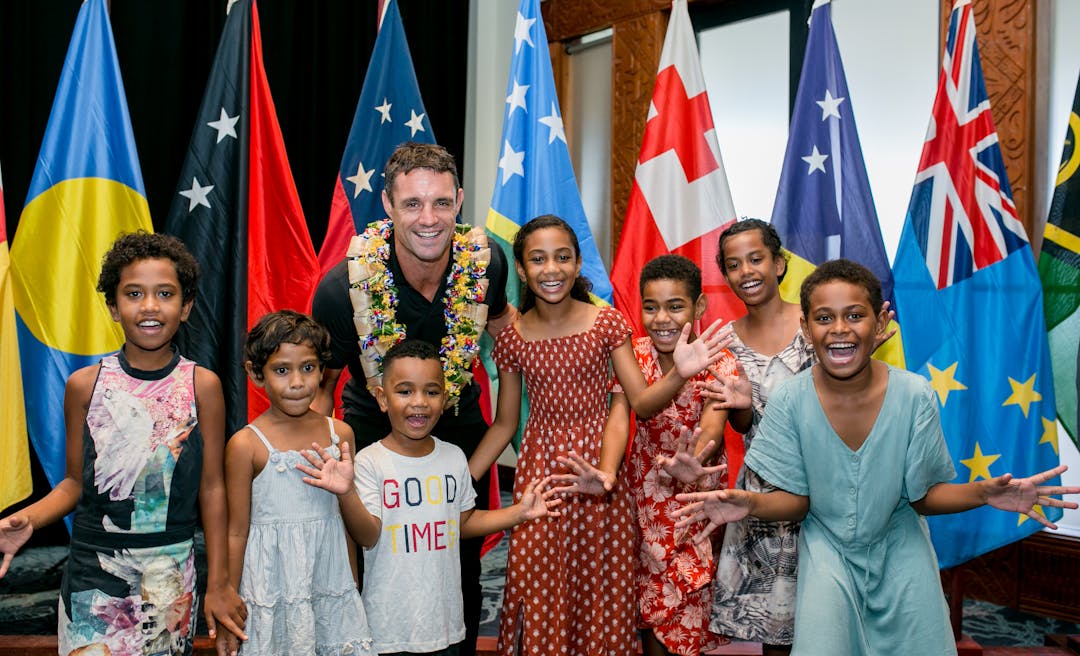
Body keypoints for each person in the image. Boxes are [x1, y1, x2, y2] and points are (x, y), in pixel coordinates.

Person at [673, 259, 1080, 656]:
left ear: (879, 324)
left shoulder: (915, 394)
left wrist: (984, 493)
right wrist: (749, 503)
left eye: (854, 315)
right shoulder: (788, 400)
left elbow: (923, 497)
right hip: (827, 557)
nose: (839, 330)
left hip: (904, 555)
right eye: (824, 318)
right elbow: (797, 503)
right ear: (805, 327)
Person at [466, 215, 729, 656]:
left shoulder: (606, 324)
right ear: (521, 268)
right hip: (541, 476)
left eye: (563, 257)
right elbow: (506, 424)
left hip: (602, 477)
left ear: (578, 262)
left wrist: (679, 374)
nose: (552, 269)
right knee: (538, 582)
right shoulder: (512, 338)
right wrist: (462, 478)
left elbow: (640, 403)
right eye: (538, 259)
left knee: (598, 590)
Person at [0, 232, 246, 656]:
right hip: (93, 577)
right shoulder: (84, 386)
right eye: (134, 293)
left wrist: (220, 583)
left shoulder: (201, 385)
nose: (149, 306)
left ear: (185, 307)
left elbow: (213, 488)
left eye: (164, 294)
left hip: (169, 581)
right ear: (113, 307)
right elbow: (74, 482)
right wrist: (29, 519)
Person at [311, 142, 514, 656]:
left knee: (457, 561)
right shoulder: (342, 289)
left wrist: (465, 474)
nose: (429, 218)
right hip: (372, 430)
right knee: (375, 560)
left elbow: (505, 334)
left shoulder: (487, 264)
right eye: (412, 204)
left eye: (442, 203)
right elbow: (320, 389)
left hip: (460, 431)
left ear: (460, 201)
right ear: (387, 204)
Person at [298, 339, 560, 655]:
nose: (419, 402)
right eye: (405, 391)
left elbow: (462, 522)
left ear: (444, 399)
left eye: (432, 392)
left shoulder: (454, 458)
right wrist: (346, 493)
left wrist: (517, 513)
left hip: (444, 624)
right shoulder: (369, 462)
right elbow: (368, 535)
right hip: (388, 629)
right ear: (382, 398)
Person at [610, 254, 747, 656]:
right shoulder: (633, 354)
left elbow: (712, 426)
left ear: (699, 307)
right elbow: (635, 409)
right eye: (650, 307)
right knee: (651, 608)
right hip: (644, 501)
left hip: (696, 503)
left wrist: (697, 460)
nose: (661, 318)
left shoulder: (719, 360)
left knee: (687, 612)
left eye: (675, 306)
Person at [224, 311, 374, 655]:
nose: (297, 382)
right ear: (255, 374)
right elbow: (236, 531)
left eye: (308, 368)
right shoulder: (246, 445)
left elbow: (348, 530)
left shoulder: (341, 434)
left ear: (323, 370)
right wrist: (230, 598)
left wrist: (350, 590)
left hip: (330, 582)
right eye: (281, 370)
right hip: (271, 588)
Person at [707, 218, 813, 654]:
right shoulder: (724, 343)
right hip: (763, 495)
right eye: (734, 265)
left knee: (826, 622)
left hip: (822, 491)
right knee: (776, 632)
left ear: (780, 264)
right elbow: (740, 425)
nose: (746, 272)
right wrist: (744, 409)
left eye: (756, 259)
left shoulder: (816, 324)